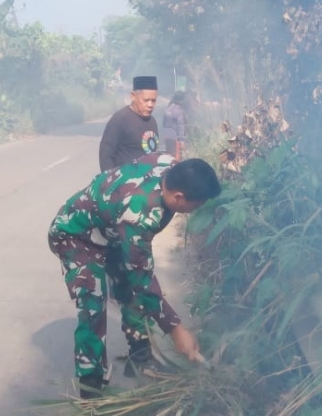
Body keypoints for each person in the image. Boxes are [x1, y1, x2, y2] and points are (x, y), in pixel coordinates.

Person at [47, 153, 222, 399]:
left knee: (130, 290)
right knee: (93, 302)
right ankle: (91, 385)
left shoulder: (169, 165)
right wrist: (176, 329)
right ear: (178, 197)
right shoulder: (138, 216)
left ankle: (139, 358)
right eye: (197, 205)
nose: (198, 209)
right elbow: (143, 279)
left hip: (111, 232)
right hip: (76, 235)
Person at [98, 76, 160, 171]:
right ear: (133, 96)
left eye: (153, 101)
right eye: (146, 100)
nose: (150, 105)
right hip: (125, 182)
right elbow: (106, 154)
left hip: (148, 182)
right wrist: (110, 182)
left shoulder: (152, 121)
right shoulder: (120, 119)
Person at [162, 91, 187, 160]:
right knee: (176, 159)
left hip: (166, 136)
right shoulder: (179, 111)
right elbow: (180, 126)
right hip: (175, 138)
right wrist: (182, 140)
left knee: (169, 155)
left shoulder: (168, 108)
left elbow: (164, 123)